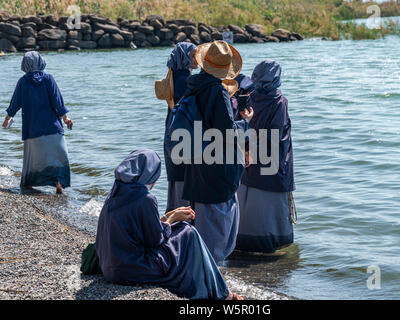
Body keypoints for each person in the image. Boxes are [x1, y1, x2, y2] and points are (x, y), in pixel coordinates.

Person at [95, 149, 242, 300]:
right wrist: (173, 219)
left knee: (182, 232)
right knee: (188, 232)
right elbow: (155, 240)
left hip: (110, 267)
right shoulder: (145, 198)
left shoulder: (116, 192)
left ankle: (217, 288)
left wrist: (169, 215)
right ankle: (221, 293)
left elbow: (139, 233)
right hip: (133, 269)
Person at [181, 40, 254, 263]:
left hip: (197, 160)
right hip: (217, 165)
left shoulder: (192, 86)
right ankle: (212, 274)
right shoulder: (217, 91)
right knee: (219, 223)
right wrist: (245, 122)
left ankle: (198, 266)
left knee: (202, 218)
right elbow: (226, 132)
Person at [235, 60, 296, 253]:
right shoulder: (279, 101)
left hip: (249, 160)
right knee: (270, 210)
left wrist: (247, 149)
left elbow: (239, 127)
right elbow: (278, 136)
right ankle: (272, 247)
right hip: (271, 164)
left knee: (247, 203)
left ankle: (241, 244)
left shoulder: (247, 97)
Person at [2, 51, 73, 194]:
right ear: (41, 62)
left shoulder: (23, 81)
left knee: (34, 160)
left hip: (32, 129)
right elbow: (58, 101)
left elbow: (15, 103)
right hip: (52, 127)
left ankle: (30, 183)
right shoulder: (48, 79)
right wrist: (65, 118)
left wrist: (7, 118)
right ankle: (58, 182)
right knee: (58, 156)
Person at [156, 42, 198, 212]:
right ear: (184, 57)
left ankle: (173, 215)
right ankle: (182, 221)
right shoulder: (185, 79)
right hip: (182, 134)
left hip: (171, 131)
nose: (197, 59)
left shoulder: (173, 75)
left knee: (176, 179)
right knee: (184, 179)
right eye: (193, 55)